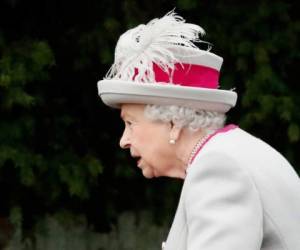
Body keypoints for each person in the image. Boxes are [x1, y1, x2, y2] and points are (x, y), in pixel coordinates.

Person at [97, 11, 300, 250]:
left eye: (130, 123)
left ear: (173, 123)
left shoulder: (217, 168)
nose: (124, 140)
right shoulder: (234, 152)